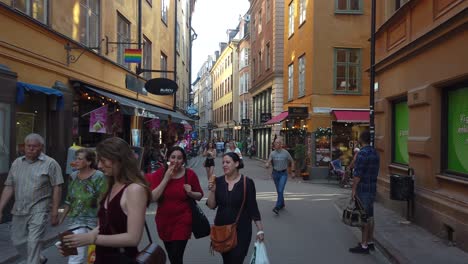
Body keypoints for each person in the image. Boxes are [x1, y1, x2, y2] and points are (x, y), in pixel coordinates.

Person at [60, 137, 150, 263]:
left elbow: (133, 238)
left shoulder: (134, 190)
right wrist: (79, 240)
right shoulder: (111, 184)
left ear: (119, 160)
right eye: (99, 161)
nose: (100, 166)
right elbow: (106, 224)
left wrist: (92, 239)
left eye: (103, 161)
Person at [0, 133, 63, 264]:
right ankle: (39, 259)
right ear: (24, 146)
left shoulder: (51, 163)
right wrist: (0, 208)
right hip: (19, 209)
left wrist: (55, 211)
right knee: (18, 241)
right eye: (28, 146)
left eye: (35, 146)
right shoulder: (17, 163)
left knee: (33, 241)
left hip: (39, 209)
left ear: (41, 147)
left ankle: (33, 261)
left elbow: (57, 187)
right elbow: (9, 186)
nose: (31, 149)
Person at [146, 146, 203, 264]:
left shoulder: (190, 174)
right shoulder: (160, 174)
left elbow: (200, 195)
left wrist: (191, 193)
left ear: (184, 160)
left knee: (177, 256)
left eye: (179, 158)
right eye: (173, 157)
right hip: (164, 222)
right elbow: (152, 197)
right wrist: (166, 178)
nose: (176, 161)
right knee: (172, 256)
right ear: (168, 158)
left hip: (183, 220)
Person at [207, 152, 264, 264]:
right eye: (223, 162)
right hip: (222, 230)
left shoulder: (247, 183)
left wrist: (260, 230)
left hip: (241, 231)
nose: (224, 165)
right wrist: (212, 191)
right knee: (227, 260)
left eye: (228, 162)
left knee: (236, 260)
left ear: (237, 163)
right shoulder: (218, 181)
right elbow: (211, 205)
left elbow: (253, 208)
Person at [62, 148, 106, 264]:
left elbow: (102, 200)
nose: (76, 161)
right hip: (75, 221)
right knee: (76, 256)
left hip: (93, 221)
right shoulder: (72, 176)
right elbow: (69, 199)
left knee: (93, 257)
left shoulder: (99, 176)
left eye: (80, 159)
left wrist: (100, 221)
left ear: (89, 162)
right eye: (76, 158)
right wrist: (60, 217)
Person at [349, 130, 380, 254]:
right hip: (372, 187)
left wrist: (353, 189)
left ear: (361, 139)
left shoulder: (362, 154)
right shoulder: (375, 152)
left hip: (363, 189)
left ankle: (364, 245)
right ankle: (370, 242)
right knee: (370, 216)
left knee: (363, 218)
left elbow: (358, 174)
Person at [265, 138, 295, 215]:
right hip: (275, 173)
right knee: (279, 190)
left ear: (281, 144)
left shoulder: (286, 153)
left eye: (278, 143)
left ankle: (277, 207)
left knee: (280, 189)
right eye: (275, 143)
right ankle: (282, 203)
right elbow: (269, 161)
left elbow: (292, 161)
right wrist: (267, 164)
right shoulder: (272, 153)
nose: (276, 144)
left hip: (283, 174)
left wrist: (293, 171)